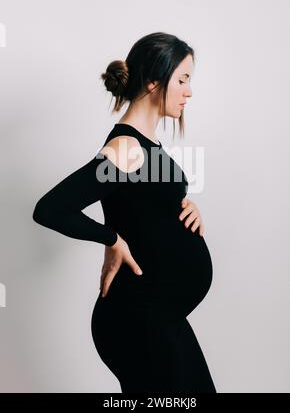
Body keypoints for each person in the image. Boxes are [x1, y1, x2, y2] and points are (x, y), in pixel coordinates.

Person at [32, 32, 216, 393]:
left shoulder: (144, 146)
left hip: (159, 317)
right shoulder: (126, 147)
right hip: (138, 319)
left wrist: (184, 206)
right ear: (153, 81)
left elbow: (139, 205)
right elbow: (51, 209)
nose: (189, 92)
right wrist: (111, 238)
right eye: (182, 80)